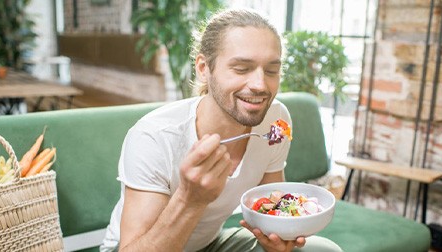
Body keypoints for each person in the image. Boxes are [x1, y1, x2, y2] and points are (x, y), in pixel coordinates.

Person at [101, 9, 306, 252]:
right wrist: (190, 199)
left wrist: (278, 240)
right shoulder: (155, 137)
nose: (260, 85)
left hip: (210, 245)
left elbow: (272, 204)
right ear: (203, 68)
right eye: (241, 69)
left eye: (271, 70)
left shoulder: (276, 120)